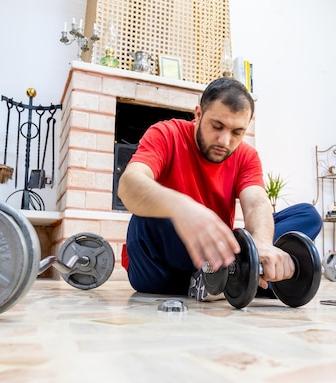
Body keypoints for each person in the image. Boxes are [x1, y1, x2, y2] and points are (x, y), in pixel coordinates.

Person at [118, 77, 322, 300]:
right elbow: (129, 184)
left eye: (237, 132)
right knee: (148, 216)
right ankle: (236, 279)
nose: (225, 141)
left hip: (217, 257)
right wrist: (183, 208)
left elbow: (256, 202)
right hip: (159, 268)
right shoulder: (167, 134)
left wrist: (261, 242)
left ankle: (228, 277)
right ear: (198, 115)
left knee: (307, 215)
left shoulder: (246, 156)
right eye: (217, 126)